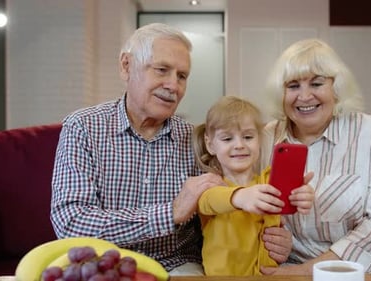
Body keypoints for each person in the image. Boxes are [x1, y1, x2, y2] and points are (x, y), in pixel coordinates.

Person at [50, 23, 292, 275]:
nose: (173, 86)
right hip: (104, 263)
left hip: (177, 264)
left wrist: (274, 236)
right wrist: (171, 212)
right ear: (126, 66)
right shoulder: (83, 126)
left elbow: (233, 200)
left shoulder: (194, 138)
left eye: (182, 76)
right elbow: (71, 223)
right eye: (162, 70)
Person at [259, 38, 371, 275]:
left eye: (317, 83)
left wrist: (310, 270)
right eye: (293, 86)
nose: (304, 96)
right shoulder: (265, 138)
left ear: (337, 88)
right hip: (290, 264)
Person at [192, 96, 314, 275]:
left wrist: (302, 196)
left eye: (248, 137)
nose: (239, 145)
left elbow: (288, 200)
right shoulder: (210, 185)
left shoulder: (269, 182)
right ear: (210, 145)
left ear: (259, 140)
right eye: (227, 139)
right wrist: (239, 197)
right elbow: (209, 201)